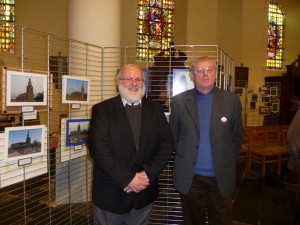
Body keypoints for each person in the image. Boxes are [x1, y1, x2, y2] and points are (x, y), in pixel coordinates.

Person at [88, 64, 174, 225]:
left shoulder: (155, 109)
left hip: (144, 192)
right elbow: (98, 150)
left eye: (138, 79)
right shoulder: (102, 110)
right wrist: (128, 179)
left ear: (143, 82)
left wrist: (147, 175)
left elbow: (166, 145)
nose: (134, 83)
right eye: (128, 79)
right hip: (111, 195)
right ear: (118, 82)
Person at [169, 56, 243, 225]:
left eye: (209, 69)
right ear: (192, 75)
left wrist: (222, 161)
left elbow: (236, 139)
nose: (205, 74)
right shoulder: (179, 102)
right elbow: (174, 138)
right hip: (190, 178)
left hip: (220, 178)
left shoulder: (231, 101)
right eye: (200, 70)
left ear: (215, 74)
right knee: (192, 221)